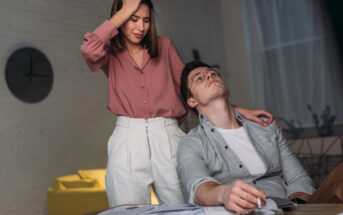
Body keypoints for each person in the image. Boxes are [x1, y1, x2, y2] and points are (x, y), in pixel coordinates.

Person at [81, 0, 276, 207]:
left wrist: (235, 111)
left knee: (187, 205)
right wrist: (126, 9)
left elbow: (189, 91)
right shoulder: (109, 53)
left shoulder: (164, 46)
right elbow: (89, 48)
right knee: (127, 210)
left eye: (146, 20)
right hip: (127, 138)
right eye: (133, 19)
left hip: (168, 134)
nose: (141, 27)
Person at [177, 60, 316, 214]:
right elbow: (198, 187)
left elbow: (297, 178)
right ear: (192, 101)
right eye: (199, 78)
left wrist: (298, 202)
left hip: (285, 209)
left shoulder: (265, 126)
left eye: (213, 73)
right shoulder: (191, 143)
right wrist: (223, 193)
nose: (209, 75)